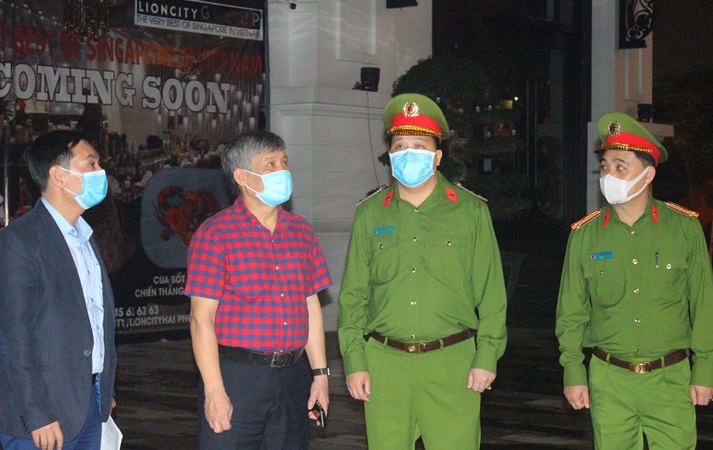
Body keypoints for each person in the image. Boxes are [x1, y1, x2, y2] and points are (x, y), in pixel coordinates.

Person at [338, 94, 508, 449]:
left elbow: (492, 294)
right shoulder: (371, 213)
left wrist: (487, 356)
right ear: (390, 155)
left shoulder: (469, 211)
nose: (408, 153)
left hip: (452, 365)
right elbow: (353, 296)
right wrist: (354, 360)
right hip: (385, 366)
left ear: (438, 156)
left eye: (419, 145)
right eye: (400, 145)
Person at [555, 112, 713, 449]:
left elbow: (703, 306)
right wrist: (573, 371)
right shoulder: (585, 235)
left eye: (621, 167)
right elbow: (571, 312)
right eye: (605, 167)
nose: (608, 176)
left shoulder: (684, 229)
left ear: (648, 174)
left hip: (670, 379)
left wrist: (705, 369)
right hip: (609, 380)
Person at [186, 130, 332, 449]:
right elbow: (201, 319)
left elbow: (311, 306)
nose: (283, 171)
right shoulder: (215, 235)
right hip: (239, 378)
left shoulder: (302, 233)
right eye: (270, 164)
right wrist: (215, 391)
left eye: (284, 162)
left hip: (293, 377)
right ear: (242, 177)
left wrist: (320, 375)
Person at [0, 130, 117, 450]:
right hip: (42, 415)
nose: (100, 171)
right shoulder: (20, 241)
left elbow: (95, 320)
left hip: (88, 403)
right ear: (59, 176)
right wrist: (37, 414)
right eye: (91, 164)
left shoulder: (85, 238)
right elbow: (14, 336)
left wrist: (104, 389)